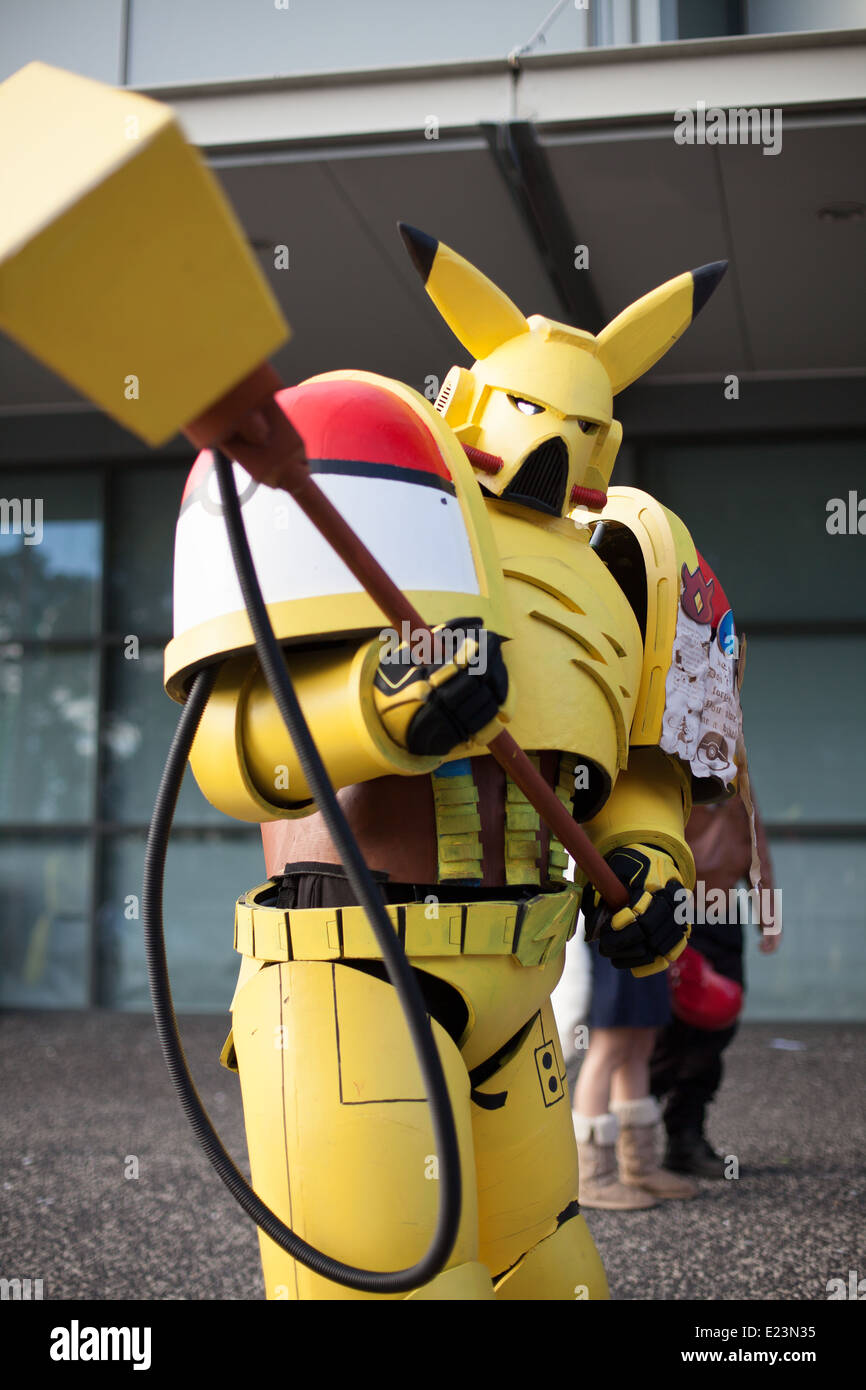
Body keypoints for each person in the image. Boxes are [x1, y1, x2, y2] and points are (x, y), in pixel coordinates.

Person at [649, 795, 780, 1177]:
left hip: (721, 912)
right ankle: (630, 1140)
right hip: (674, 909)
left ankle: (685, 1139)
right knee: (665, 1035)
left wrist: (768, 915)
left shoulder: (735, 766)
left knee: (716, 1026)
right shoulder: (675, 749)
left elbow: (756, 847)